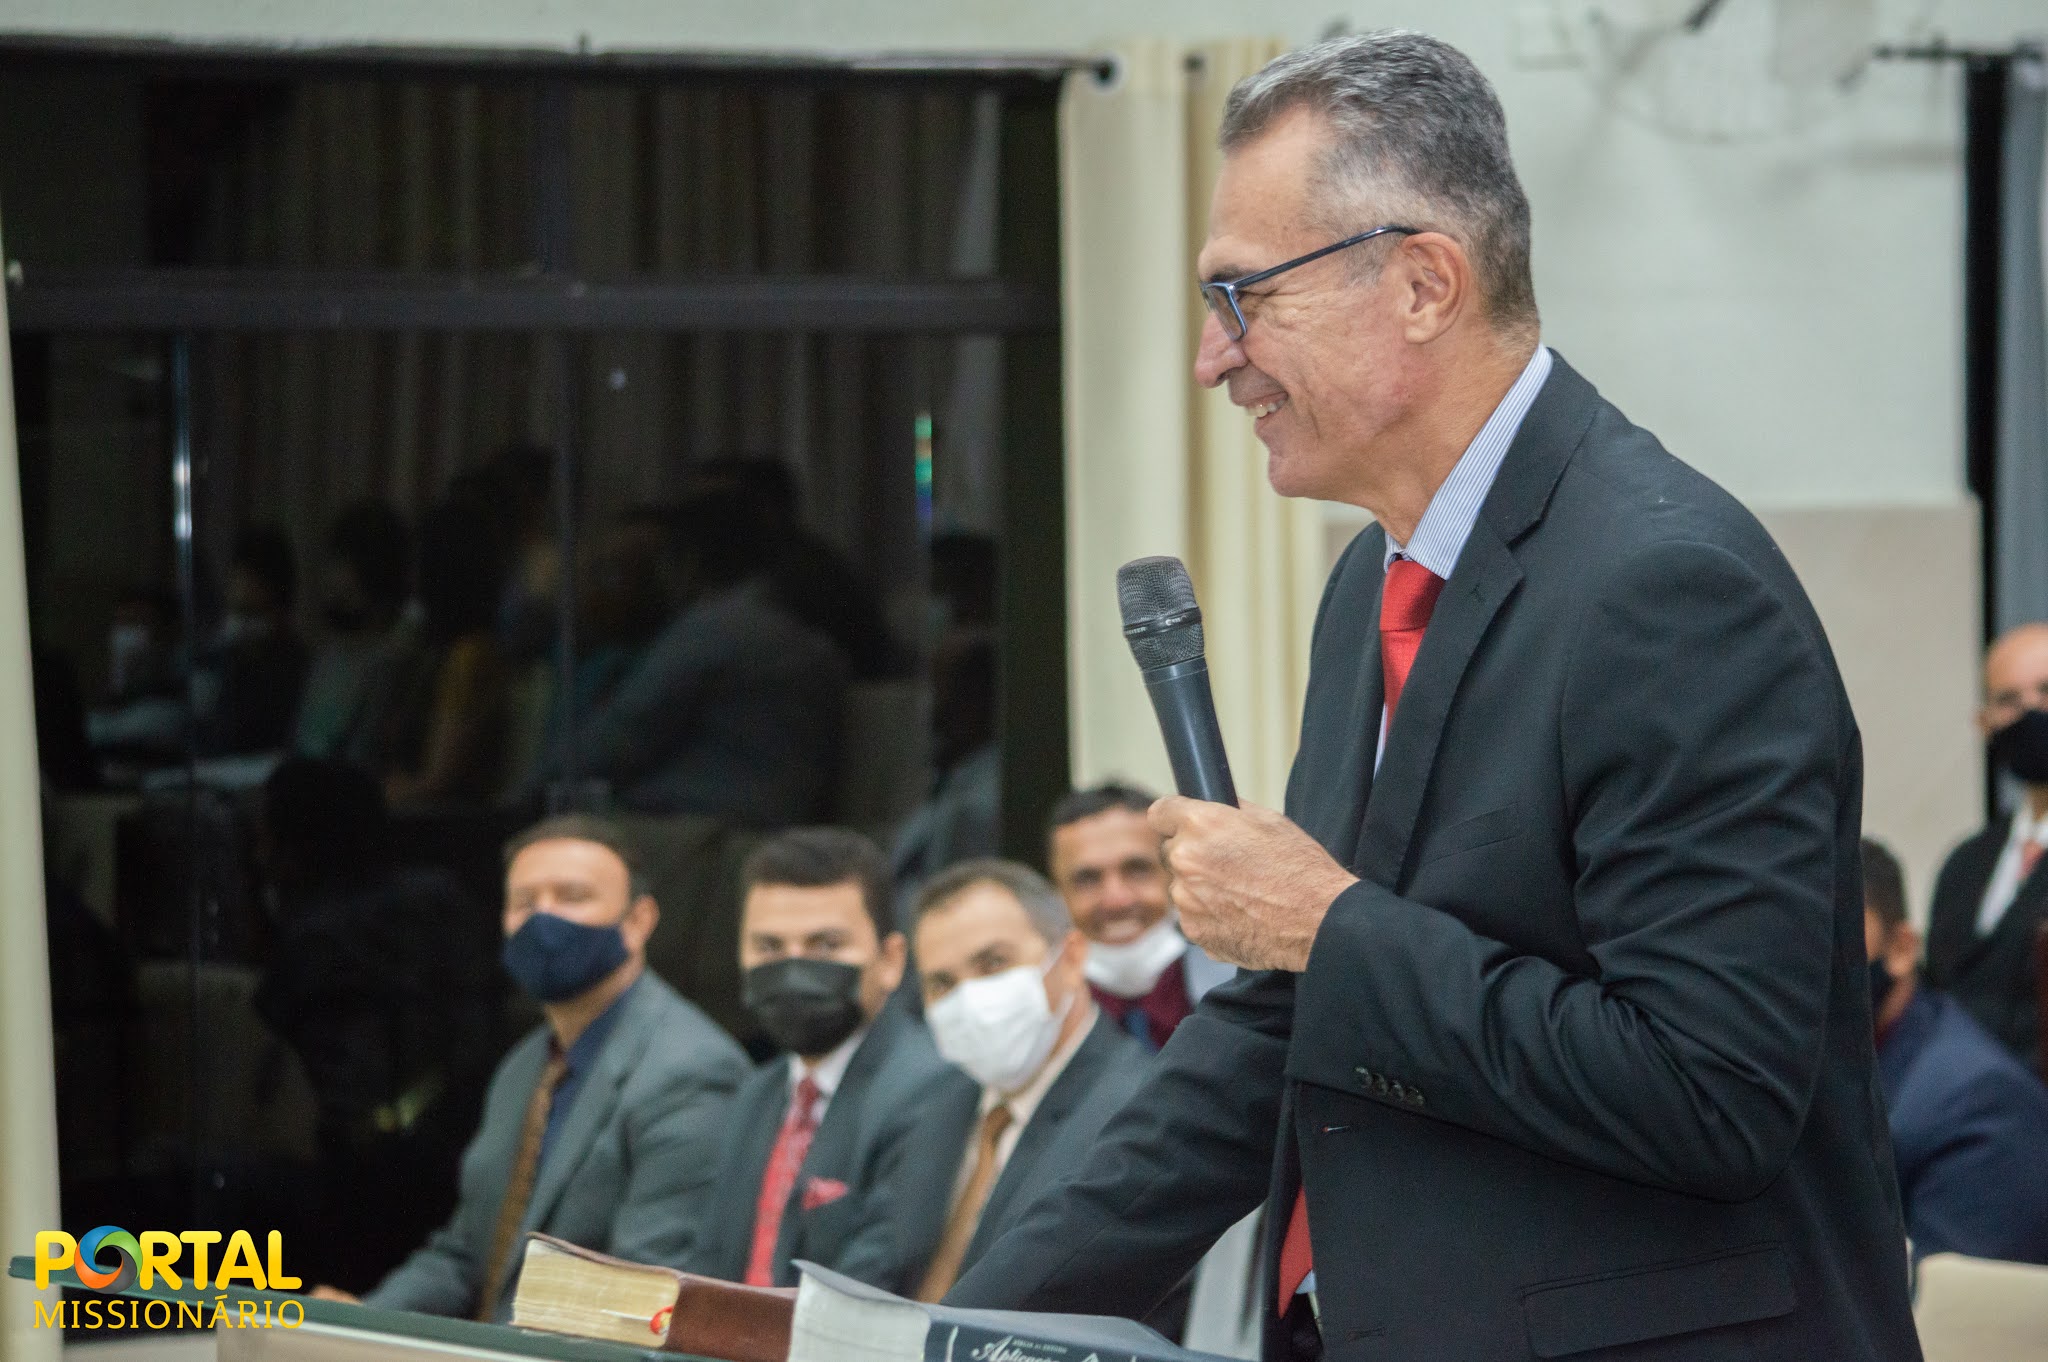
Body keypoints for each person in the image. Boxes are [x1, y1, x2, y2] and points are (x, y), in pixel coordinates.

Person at [945, 32, 1918, 1362]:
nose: (1213, 359)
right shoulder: (1372, 583)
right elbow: (1285, 1023)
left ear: (1421, 284)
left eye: (1243, 297)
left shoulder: (1668, 586)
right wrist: (948, 1326)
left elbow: (1708, 1094)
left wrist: (1329, 925)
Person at [314, 815, 748, 1320]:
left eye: (572, 896)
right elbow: (465, 1256)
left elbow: (645, 1298)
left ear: (638, 921)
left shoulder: (691, 1072)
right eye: (524, 902)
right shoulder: (524, 1067)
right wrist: (359, 1323)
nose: (544, 919)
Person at [684, 827, 956, 1292]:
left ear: (890, 961)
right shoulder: (756, 1093)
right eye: (769, 948)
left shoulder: (932, 1091)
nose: (793, 969)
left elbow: (878, 1279)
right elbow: (709, 1263)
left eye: (826, 945)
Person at [901, 860, 1151, 1307]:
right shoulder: (932, 1104)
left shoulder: (1137, 1110)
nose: (968, 999)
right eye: (942, 983)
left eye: (993, 963)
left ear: (1071, 958)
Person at [528, 485, 847, 826]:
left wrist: (520, 802)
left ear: (687, 561)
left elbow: (621, 734)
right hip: (754, 822)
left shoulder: (715, 629)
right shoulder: (792, 629)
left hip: (704, 827)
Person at [1863, 838, 2048, 1265]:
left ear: (1902, 948)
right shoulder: (1814, 1069)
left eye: (1835, 936)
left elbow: (1947, 1301)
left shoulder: (1979, 1106)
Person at [1925, 620, 2048, 1071]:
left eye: (2046, 691)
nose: (2032, 712)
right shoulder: (1964, 863)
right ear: (1984, 723)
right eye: (2009, 700)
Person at [1048, 782, 1233, 1050]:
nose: (1116, 900)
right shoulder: (1041, 1026)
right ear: (1059, 892)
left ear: (1175, 872)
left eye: (1137, 869)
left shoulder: (1243, 992)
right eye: (1087, 879)